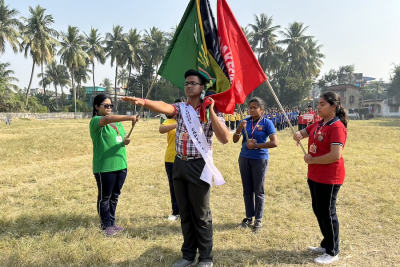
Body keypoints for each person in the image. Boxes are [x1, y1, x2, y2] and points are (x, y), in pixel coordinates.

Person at [122, 69, 230, 267]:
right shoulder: (182, 108)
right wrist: (144, 102)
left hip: (199, 165)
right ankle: (188, 255)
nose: (188, 86)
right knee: (185, 213)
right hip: (179, 163)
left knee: (201, 214)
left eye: (193, 83)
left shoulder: (211, 110)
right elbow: (164, 107)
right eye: (186, 83)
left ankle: (205, 258)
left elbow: (224, 139)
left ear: (202, 87)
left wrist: (211, 110)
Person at [292, 92, 348, 265]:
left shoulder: (336, 127)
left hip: (330, 177)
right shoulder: (318, 123)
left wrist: (313, 159)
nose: (318, 107)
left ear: (334, 106)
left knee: (327, 213)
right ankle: (326, 244)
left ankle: (333, 251)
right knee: (318, 209)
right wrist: (299, 135)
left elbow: (335, 155)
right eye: (318, 104)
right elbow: (303, 132)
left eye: (323, 104)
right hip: (315, 174)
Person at [89, 94, 138, 237]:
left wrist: (125, 141)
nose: (109, 108)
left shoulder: (117, 124)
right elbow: (107, 119)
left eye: (111, 105)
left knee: (115, 196)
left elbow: (121, 138)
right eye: (106, 105)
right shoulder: (96, 121)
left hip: (120, 164)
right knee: (105, 197)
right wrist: (130, 117)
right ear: (97, 107)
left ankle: (112, 222)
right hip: (105, 167)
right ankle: (105, 226)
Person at [233, 97, 278, 233]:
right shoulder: (244, 121)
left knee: (258, 190)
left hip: (260, 159)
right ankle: (248, 217)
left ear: (261, 109)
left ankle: (258, 219)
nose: (252, 110)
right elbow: (235, 140)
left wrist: (257, 146)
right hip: (244, 158)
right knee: (247, 190)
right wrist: (239, 129)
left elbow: (274, 143)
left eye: (255, 107)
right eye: (250, 107)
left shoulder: (267, 123)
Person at [159, 98, 185, 222]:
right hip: (171, 158)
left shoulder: (190, 121)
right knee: (174, 186)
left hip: (187, 158)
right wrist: (178, 123)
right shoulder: (169, 121)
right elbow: (161, 130)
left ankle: (186, 211)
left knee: (188, 186)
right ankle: (176, 212)